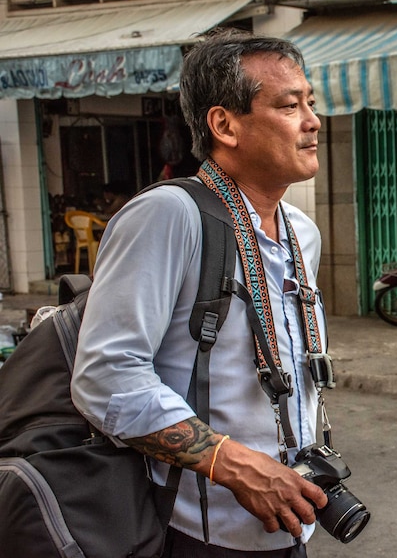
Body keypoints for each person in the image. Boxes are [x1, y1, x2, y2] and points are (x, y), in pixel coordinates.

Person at [71, 28, 328, 557]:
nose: (312, 121)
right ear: (224, 124)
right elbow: (105, 376)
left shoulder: (302, 232)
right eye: (288, 105)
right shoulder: (168, 215)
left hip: (288, 525)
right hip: (197, 536)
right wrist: (233, 465)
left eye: (310, 102)